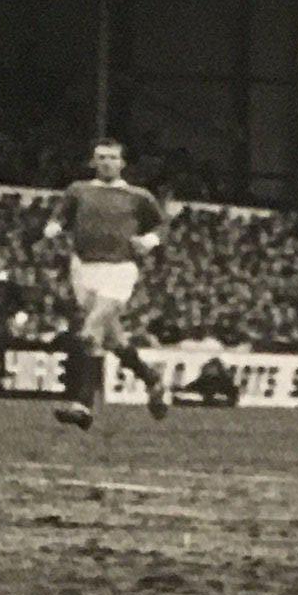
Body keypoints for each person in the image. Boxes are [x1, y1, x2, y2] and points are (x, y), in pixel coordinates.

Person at [49, 139, 171, 427]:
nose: (106, 162)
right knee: (113, 339)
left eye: (112, 157)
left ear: (122, 163)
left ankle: (83, 404)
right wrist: (52, 227)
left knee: (91, 331)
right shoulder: (78, 190)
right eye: (101, 157)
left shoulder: (138, 196)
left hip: (120, 268)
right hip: (83, 268)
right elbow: (60, 215)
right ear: (93, 162)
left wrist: (149, 240)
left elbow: (161, 224)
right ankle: (152, 379)